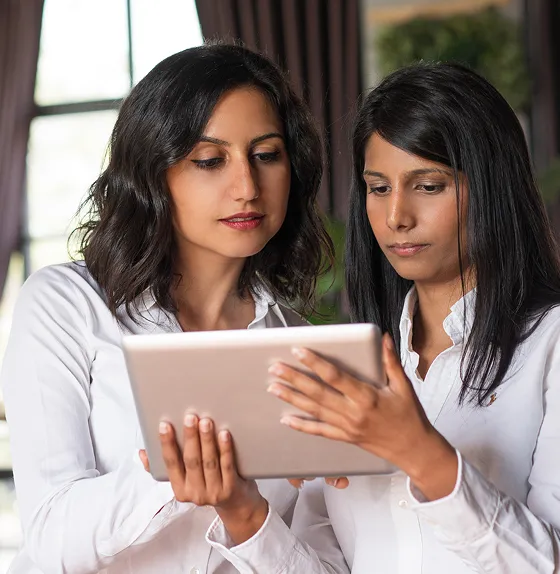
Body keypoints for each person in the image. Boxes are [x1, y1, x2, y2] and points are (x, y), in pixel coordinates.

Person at [200, 62, 560, 573]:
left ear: (493, 187)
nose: (396, 217)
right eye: (379, 187)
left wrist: (423, 456)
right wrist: (241, 512)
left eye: (429, 186)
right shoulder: (348, 370)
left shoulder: (551, 346)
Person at [0, 43, 333, 574]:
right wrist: (179, 473)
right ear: (153, 173)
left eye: (266, 154)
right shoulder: (67, 307)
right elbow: (48, 538)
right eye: (209, 160)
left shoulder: (303, 350)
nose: (247, 187)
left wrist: (247, 513)